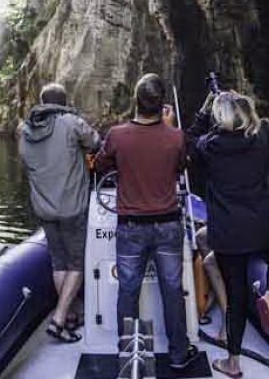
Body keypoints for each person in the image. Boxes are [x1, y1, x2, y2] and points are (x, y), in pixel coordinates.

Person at [95, 73, 200, 370]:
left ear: (136, 101)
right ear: (162, 105)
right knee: (172, 289)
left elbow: (102, 163)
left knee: (128, 290)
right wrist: (169, 130)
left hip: (130, 227)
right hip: (168, 225)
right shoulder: (176, 136)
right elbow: (180, 166)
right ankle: (179, 355)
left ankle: (128, 355)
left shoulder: (116, 135)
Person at [187, 91, 269, 378]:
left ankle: (232, 362)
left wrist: (205, 111)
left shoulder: (211, 146)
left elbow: (189, 144)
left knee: (237, 297)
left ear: (220, 119)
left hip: (229, 232)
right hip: (262, 224)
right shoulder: (263, 134)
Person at [19, 82, 100, 343]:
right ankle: (59, 318)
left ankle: (72, 315)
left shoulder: (25, 131)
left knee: (59, 262)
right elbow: (96, 142)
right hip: (72, 207)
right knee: (76, 263)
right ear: (62, 103)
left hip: (44, 208)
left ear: (42, 102)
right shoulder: (70, 122)